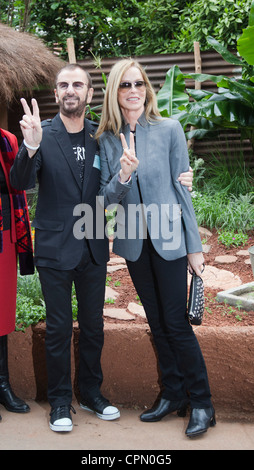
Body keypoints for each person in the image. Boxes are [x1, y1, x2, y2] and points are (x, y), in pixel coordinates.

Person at [10, 63, 193, 432]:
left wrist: (178, 179)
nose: (70, 90)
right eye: (64, 85)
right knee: (60, 329)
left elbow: (115, 189)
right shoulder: (42, 134)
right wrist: (29, 147)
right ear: (57, 93)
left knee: (94, 328)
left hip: (93, 244)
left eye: (78, 84)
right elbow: (20, 183)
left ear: (91, 94)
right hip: (55, 248)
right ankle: (61, 402)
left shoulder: (102, 137)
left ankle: (92, 393)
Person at [97, 58, 215, 438]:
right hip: (134, 244)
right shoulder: (107, 139)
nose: (133, 91)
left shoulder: (169, 129)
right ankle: (173, 394)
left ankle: (202, 403)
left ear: (147, 88)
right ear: (115, 92)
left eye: (139, 83)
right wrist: (124, 174)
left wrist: (194, 246)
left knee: (177, 324)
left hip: (169, 242)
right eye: (125, 85)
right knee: (158, 323)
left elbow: (184, 190)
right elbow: (104, 201)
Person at [0, 127, 34, 422]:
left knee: (0, 316)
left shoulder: (7, 140)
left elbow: (18, 186)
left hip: (4, 236)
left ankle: (2, 384)